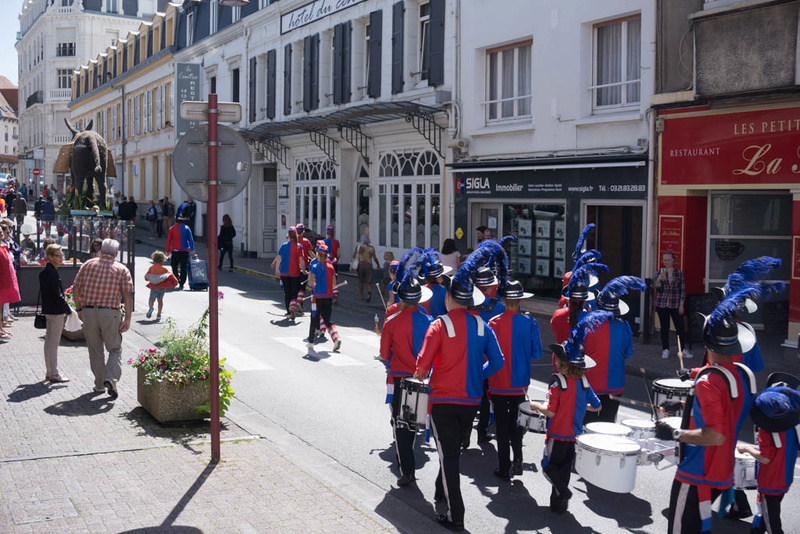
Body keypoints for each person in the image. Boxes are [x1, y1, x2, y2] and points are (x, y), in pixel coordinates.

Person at [413, 246, 504, 531]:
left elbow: (421, 368)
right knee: (451, 451)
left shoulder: (438, 326)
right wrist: (479, 374)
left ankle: (456, 514)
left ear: (450, 298)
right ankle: (442, 491)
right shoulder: (482, 325)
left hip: (442, 401)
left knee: (449, 456)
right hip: (471, 402)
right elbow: (498, 363)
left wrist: (422, 374)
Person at [656, 287, 759, 533]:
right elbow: (726, 409)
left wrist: (675, 434)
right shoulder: (742, 375)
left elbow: (715, 434)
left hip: (697, 471)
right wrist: (685, 404)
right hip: (721, 469)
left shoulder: (708, 383)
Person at [530, 311, 608, 514]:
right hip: (573, 434)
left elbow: (551, 412)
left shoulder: (558, 382)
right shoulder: (584, 382)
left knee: (548, 466)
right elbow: (598, 406)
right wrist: (582, 408)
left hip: (557, 433)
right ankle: (559, 506)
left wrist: (536, 407)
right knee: (564, 469)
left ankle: (563, 493)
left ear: (561, 362)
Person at [380, 250, 434, 487]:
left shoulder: (391, 322)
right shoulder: (429, 321)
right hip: (419, 378)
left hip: (397, 379)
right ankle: (409, 462)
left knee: (399, 424)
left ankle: (407, 471)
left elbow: (383, 355)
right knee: (413, 423)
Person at [488, 278, 542, 480]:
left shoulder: (493, 323)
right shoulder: (529, 323)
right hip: (520, 383)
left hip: (498, 383)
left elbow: (488, 355)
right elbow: (536, 353)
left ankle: (503, 467)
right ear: (520, 301)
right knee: (517, 424)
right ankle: (518, 459)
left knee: (501, 425)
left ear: (502, 300)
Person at [737, 372, 800, 534]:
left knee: (772, 524)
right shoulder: (794, 427)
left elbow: (764, 458)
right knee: (768, 515)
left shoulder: (766, 430)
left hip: (770, 482)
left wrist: (746, 449)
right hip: (785, 479)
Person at [72, 238, 134, 399]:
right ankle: (111, 378)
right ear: (116, 253)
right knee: (114, 348)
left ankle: (99, 384)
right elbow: (128, 296)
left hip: (89, 312)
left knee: (95, 349)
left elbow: (76, 288)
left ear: (101, 251)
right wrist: (127, 318)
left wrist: (79, 308)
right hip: (110, 313)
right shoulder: (121, 269)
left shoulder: (88, 264)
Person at [583, 276, 645, 424]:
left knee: (586, 427)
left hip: (591, 385)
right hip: (615, 386)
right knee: (608, 426)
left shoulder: (586, 325)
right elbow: (628, 353)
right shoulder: (624, 327)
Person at [39, 244, 72, 383]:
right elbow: (57, 295)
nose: (61, 258)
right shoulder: (51, 272)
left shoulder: (46, 271)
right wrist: (68, 309)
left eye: (61, 255)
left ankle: (50, 371)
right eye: (58, 255)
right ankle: (54, 373)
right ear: (50, 257)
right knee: (53, 343)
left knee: (49, 342)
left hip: (48, 310)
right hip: (55, 311)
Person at [655, 250, 691, 360]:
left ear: (673, 260)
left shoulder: (678, 273)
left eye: (668, 260)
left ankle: (682, 350)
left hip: (675, 303)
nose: (666, 262)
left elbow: (682, 290)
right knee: (664, 327)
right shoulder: (659, 272)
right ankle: (665, 349)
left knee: (679, 327)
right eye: (665, 260)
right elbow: (658, 290)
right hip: (662, 303)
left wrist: (681, 305)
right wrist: (659, 280)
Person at [306, 243, 341, 351]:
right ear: (327, 256)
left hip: (317, 297)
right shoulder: (331, 267)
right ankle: (336, 338)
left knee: (314, 317)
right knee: (327, 319)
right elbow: (334, 284)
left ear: (318, 255)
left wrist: (314, 284)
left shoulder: (315, 267)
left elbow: (310, 282)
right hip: (328, 297)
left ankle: (311, 341)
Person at [271, 227, 305, 319]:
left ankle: (289, 311)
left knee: (287, 293)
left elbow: (278, 259)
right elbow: (301, 260)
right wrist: (304, 270)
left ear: (288, 236)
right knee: (294, 292)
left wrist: (277, 270)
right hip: (295, 273)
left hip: (284, 273)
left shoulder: (283, 246)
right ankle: (292, 307)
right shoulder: (299, 247)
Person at [145, 250, 179, 321]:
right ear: (163, 259)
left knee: (151, 299)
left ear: (153, 259)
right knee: (160, 300)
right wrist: (175, 282)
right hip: (162, 288)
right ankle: (159, 314)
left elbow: (146, 277)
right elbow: (172, 276)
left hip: (153, 287)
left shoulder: (151, 268)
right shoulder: (164, 269)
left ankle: (151, 307)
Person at [165, 216, 195, 290]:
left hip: (175, 251)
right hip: (184, 251)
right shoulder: (187, 228)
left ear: (176, 220)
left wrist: (167, 250)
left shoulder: (172, 228)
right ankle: (182, 283)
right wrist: (192, 249)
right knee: (183, 267)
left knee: (174, 265)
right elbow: (191, 239)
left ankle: (176, 277)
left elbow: (169, 240)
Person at [353, 234, 380, 301]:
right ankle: (369, 291)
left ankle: (361, 295)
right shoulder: (371, 248)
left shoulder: (358, 247)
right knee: (369, 281)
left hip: (361, 265)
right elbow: (374, 258)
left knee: (361, 280)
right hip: (369, 265)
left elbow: (354, 256)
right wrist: (378, 264)